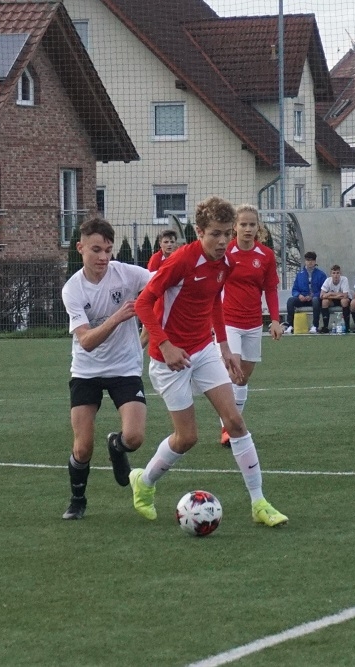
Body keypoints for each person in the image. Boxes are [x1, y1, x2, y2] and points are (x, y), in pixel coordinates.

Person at [132, 196, 287, 528]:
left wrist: (224, 346)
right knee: (187, 438)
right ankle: (143, 482)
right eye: (215, 233)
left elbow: (215, 300)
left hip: (203, 350)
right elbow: (144, 303)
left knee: (235, 423)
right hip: (169, 359)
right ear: (199, 232)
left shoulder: (225, 262)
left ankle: (259, 503)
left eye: (227, 233)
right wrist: (166, 345)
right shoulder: (180, 261)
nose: (222, 241)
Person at [60, 217, 152, 520]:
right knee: (83, 447)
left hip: (125, 367)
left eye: (108, 250)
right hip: (86, 371)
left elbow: (161, 283)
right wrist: (118, 317)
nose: (103, 257)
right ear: (80, 248)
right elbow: (86, 341)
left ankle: (117, 445)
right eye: (96, 250)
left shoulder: (127, 274)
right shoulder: (73, 289)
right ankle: (77, 500)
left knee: (134, 437)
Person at [218, 204, 281, 446]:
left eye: (252, 224)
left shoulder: (266, 255)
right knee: (233, 373)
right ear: (234, 227)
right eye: (243, 224)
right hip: (229, 322)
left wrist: (274, 320)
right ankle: (228, 428)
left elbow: (271, 289)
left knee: (243, 379)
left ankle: (233, 423)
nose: (247, 228)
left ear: (258, 228)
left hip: (254, 323)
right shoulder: (226, 252)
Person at [285, 251, 327, 334]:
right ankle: (290, 325)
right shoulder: (300, 274)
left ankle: (315, 326)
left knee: (315, 300)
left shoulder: (321, 274)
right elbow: (294, 289)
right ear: (305, 261)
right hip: (302, 299)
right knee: (290, 300)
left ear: (315, 261)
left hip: (314, 299)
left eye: (312, 260)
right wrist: (299, 295)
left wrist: (313, 296)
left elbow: (324, 290)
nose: (310, 262)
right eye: (308, 260)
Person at [319, 264, 352, 333]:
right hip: (334, 299)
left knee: (344, 301)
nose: (336, 275)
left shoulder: (344, 279)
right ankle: (325, 327)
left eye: (337, 273)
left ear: (340, 274)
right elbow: (321, 295)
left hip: (343, 299)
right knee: (324, 302)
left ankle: (347, 327)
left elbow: (345, 295)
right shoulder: (328, 280)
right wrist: (335, 295)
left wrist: (330, 293)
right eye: (334, 273)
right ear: (331, 274)